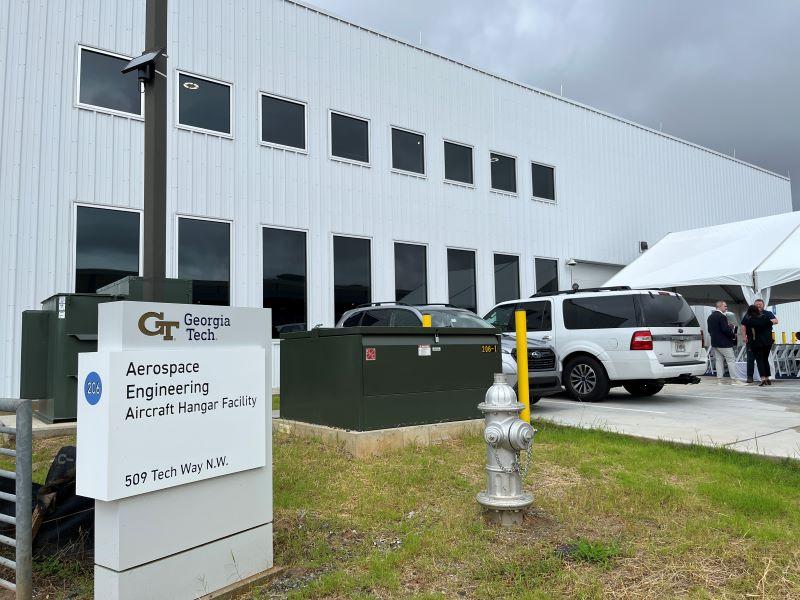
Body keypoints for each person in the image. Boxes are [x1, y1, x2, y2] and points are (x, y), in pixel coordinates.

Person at [741, 299, 778, 383]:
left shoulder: (766, 314)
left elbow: (776, 321)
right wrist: (744, 336)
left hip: (758, 340)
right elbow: (743, 326)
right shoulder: (751, 316)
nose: (759, 306)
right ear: (754, 306)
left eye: (760, 304)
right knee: (753, 359)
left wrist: (761, 323)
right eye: (757, 304)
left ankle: (763, 378)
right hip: (758, 340)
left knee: (761, 359)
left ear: (763, 305)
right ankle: (753, 377)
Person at [707, 301, 739, 384]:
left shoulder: (710, 317)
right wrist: (733, 335)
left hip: (715, 342)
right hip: (724, 342)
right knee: (731, 360)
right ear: (719, 306)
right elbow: (725, 329)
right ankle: (734, 379)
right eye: (725, 306)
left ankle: (719, 379)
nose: (726, 308)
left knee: (719, 360)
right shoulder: (722, 316)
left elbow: (709, 330)